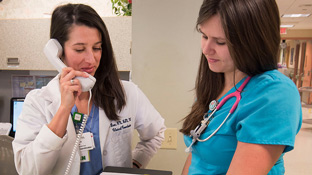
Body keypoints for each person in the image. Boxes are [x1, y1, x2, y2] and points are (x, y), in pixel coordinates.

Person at [12, 3, 166, 175]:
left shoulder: (127, 93)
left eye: (97, 48)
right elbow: (28, 170)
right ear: (58, 52)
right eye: (79, 49)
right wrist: (64, 109)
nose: (91, 59)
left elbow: (156, 133)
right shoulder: (38, 102)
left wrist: (134, 165)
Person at [180, 0, 302, 174]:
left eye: (220, 42)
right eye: (204, 35)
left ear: (253, 41)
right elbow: (196, 153)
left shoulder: (273, 94)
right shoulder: (216, 81)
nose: (206, 49)